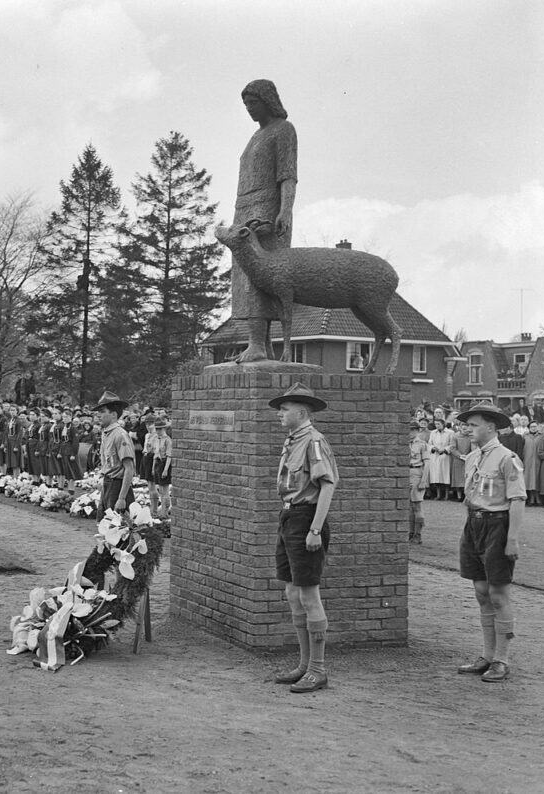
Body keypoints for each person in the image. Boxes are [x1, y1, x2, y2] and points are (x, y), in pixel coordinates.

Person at [268, 383, 338, 694]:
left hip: (306, 519)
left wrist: (314, 530)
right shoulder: (292, 441)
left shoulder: (314, 442)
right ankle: (304, 664)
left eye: (284, 409)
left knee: (309, 595)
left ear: (302, 412)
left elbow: (327, 486)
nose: (280, 414)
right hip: (289, 516)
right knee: (292, 593)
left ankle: (318, 670)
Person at [454, 402, 525, 683]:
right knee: (481, 591)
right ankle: (486, 654)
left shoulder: (508, 458)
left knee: (498, 594)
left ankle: (502, 660)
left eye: (473, 425)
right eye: (467, 425)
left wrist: (513, 540)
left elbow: (518, 499)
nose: (467, 429)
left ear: (491, 427)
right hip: (474, 525)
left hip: (498, 525)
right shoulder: (472, 458)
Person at [230, 79, 297, 363]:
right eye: (246, 105)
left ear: (268, 101)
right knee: (244, 277)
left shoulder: (284, 130)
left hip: (267, 208)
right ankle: (260, 344)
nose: (249, 109)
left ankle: (257, 343)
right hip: (244, 207)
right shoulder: (255, 137)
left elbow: (288, 174)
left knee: (261, 277)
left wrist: (285, 210)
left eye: (253, 103)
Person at [94, 391, 136, 520]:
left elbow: (129, 468)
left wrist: (122, 498)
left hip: (118, 486)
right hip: (108, 483)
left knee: (118, 528)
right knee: (104, 526)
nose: (98, 415)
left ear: (113, 415)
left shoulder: (120, 435)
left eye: (102, 411)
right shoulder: (106, 433)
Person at [407, 421, 431, 543]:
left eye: (412, 430)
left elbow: (427, 464)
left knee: (417, 506)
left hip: (417, 473)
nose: (410, 432)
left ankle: (418, 534)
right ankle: (410, 533)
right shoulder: (404, 443)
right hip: (406, 473)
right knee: (409, 506)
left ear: (417, 431)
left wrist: (424, 481)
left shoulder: (422, 444)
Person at [427, 418, 455, 500]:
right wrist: (433, 448)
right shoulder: (433, 433)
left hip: (445, 456)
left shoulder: (450, 432)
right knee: (437, 476)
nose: (437, 426)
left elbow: (452, 444)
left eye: (439, 424)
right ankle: (438, 495)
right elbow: (429, 443)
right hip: (435, 456)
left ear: (443, 424)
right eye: (436, 424)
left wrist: (445, 449)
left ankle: (446, 495)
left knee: (445, 475)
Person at [152, 419, 173, 519]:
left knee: (165, 490)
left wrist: (165, 469)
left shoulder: (167, 440)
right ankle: (163, 511)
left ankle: (165, 511)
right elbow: (155, 454)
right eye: (156, 429)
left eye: (160, 429)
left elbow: (169, 456)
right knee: (160, 489)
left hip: (165, 463)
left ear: (164, 428)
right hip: (158, 463)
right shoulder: (156, 439)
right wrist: (153, 467)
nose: (158, 431)